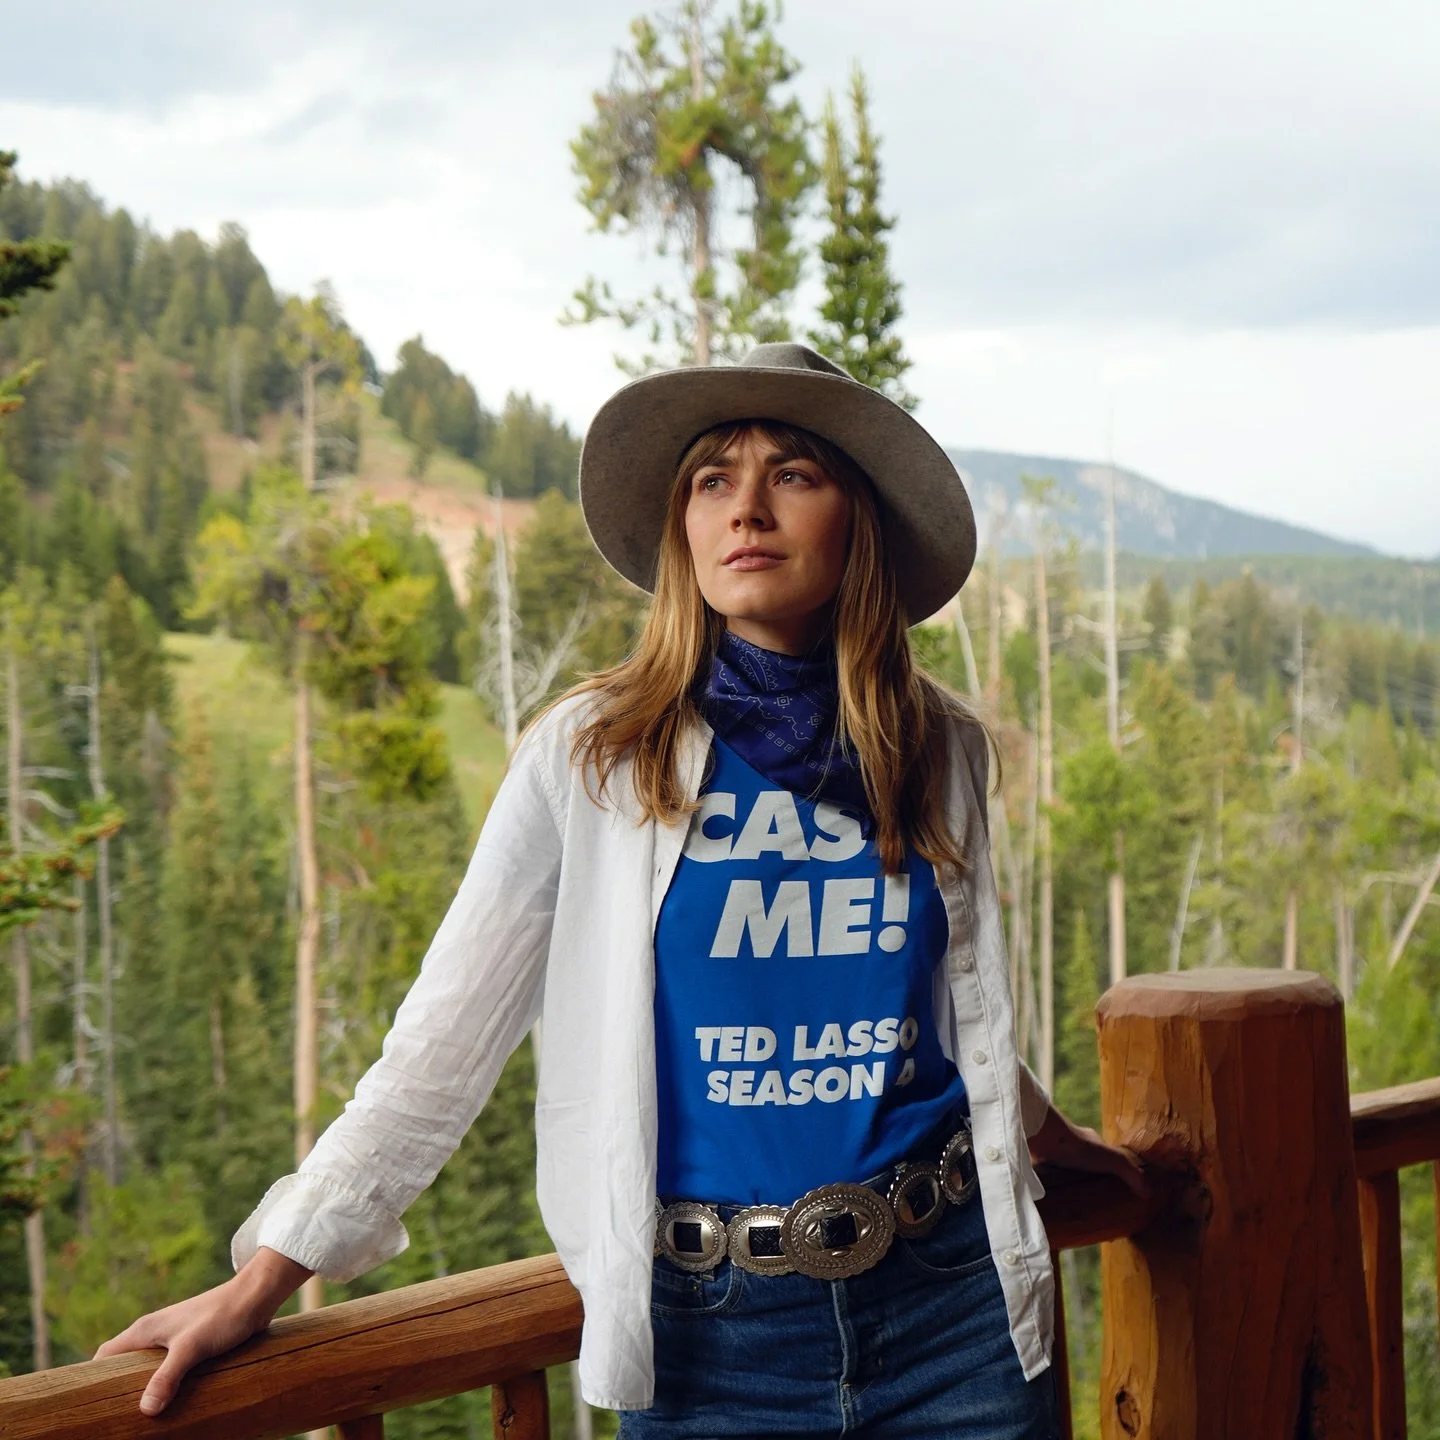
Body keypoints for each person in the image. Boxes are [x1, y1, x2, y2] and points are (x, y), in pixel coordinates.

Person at [99, 343, 1145, 1435]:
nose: (747, 508)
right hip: (711, 1343)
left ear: (859, 519)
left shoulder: (937, 749)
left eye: (792, 474)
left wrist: (1055, 1141)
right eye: (712, 480)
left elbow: (942, 1015)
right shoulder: (594, 756)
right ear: (684, 530)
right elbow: (442, 1046)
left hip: (952, 1320)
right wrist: (266, 1276)